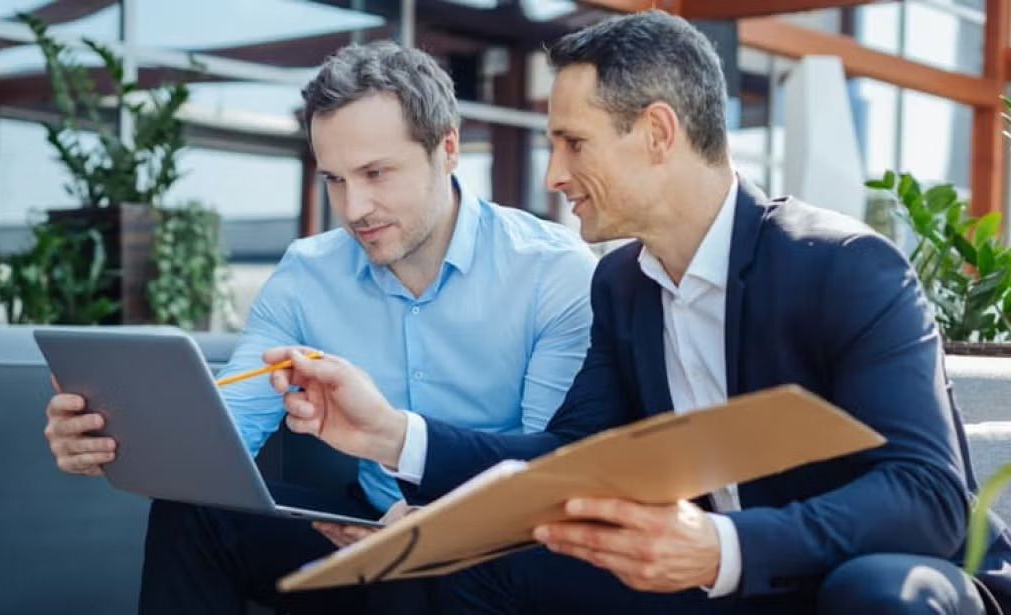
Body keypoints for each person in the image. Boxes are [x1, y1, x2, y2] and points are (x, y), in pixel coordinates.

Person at [268, 11, 1011, 614]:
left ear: (658, 133)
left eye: (573, 143)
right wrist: (393, 436)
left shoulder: (847, 265)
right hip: (721, 577)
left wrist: (724, 546)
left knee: (873, 595)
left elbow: (929, 495)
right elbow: (566, 460)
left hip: (886, 576)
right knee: (474, 570)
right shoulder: (622, 285)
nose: (554, 173)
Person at [42, 40, 597, 614]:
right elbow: (227, 433)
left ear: (447, 148)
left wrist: (429, 531)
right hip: (364, 525)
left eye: (376, 173)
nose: (355, 208)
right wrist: (116, 436)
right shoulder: (309, 272)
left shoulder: (553, 274)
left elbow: (543, 475)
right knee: (195, 514)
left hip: (493, 545)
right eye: (334, 180)